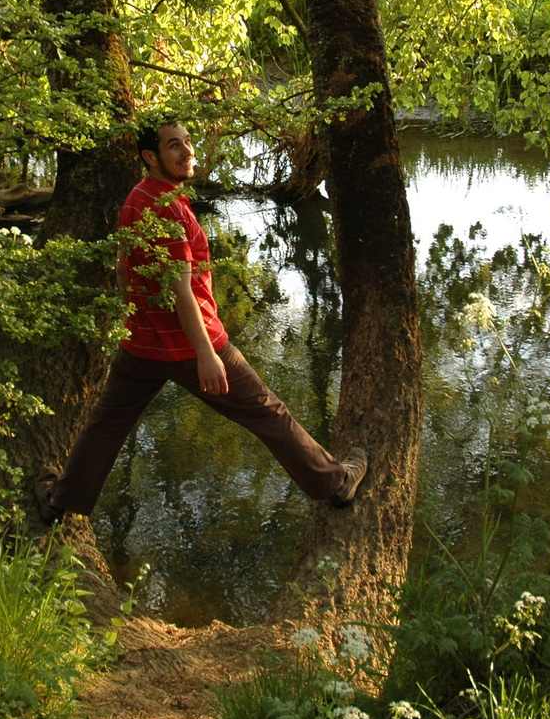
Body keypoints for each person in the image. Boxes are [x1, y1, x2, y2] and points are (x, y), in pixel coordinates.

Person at [35, 118, 367, 522]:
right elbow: (182, 291)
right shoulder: (168, 210)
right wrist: (206, 355)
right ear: (150, 157)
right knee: (268, 414)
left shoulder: (137, 198)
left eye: (188, 141)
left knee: (106, 424)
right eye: (174, 145)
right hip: (192, 345)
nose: (187, 150)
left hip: (141, 345)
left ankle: (60, 501)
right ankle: (336, 484)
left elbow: (123, 270)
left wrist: (135, 318)